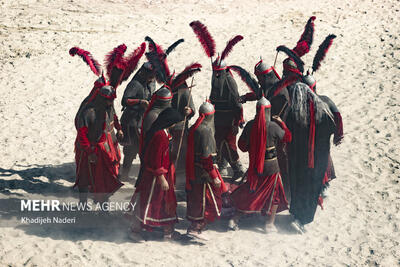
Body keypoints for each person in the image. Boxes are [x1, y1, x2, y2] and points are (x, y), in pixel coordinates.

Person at [229, 97, 292, 232]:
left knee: (251, 193)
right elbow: (287, 137)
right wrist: (282, 124)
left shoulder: (251, 125)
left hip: (255, 168)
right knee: (274, 196)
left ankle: (235, 218)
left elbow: (242, 146)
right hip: (271, 168)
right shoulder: (274, 126)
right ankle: (269, 224)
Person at [285, 82, 336, 232]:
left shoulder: (294, 113)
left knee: (300, 186)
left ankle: (298, 216)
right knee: (312, 188)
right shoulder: (324, 110)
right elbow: (333, 127)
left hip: (298, 158)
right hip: (318, 157)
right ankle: (302, 218)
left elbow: (287, 136)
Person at [129, 107, 183, 240]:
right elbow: (155, 158)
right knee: (150, 202)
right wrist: (161, 177)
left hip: (161, 175)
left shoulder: (164, 133)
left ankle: (167, 232)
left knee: (164, 202)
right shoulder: (160, 135)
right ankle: (135, 231)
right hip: (155, 177)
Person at [74, 85, 124, 204]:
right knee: (84, 178)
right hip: (88, 149)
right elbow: (82, 134)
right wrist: (89, 152)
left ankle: (103, 204)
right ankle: (83, 204)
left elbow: (114, 118)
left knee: (104, 177)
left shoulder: (109, 107)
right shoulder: (88, 112)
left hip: (104, 147)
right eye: (109, 100)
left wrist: (119, 129)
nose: (111, 102)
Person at [185, 101, 227, 237]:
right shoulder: (205, 131)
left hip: (195, 170)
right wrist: (214, 175)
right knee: (205, 201)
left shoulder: (194, 128)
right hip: (204, 172)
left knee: (197, 198)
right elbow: (206, 158)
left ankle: (197, 226)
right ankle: (196, 228)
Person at [119, 62, 156, 180]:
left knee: (143, 149)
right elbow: (125, 101)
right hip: (131, 121)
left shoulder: (150, 83)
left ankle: (142, 175)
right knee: (131, 150)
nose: (152, 79)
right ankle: (124, 174)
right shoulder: (135, 84)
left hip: (142, 121)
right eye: (150, 76)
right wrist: (140, 102)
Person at [210, 58, 245, 180]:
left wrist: (237, 122)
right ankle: (221, 168)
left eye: (219, 72)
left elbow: (238, 104)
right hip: (217, 120)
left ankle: (239, 169)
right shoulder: (214, 80)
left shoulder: (230, 82)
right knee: (218, 145)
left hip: (229, 121)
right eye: (215, 72)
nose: (217, 75)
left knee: (230, 146)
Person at [170, 81, 196, 168]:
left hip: (180, 126)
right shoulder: (167, 90)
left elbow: (192, 109)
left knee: (180, 150)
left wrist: (189, 111)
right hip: (167, 125)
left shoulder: (185, 92)